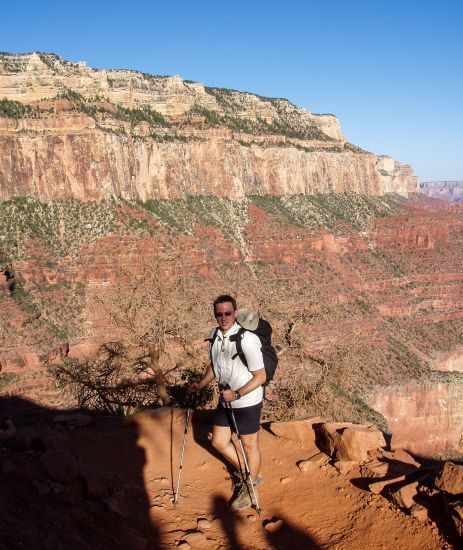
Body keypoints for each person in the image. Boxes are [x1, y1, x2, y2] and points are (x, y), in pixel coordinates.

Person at [191, 294, 266, 510]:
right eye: (218, 314)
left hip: (247, 401)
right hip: (226, 400)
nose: (223, 318)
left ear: (235, 313)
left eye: (227, 313)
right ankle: (248, 473)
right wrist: (201, 383)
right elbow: (215, 366)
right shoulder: (215, 335)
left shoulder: (247, 339)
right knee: (218, 442)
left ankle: (250, 488)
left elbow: (260, 376)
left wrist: (238, 394)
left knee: (249, 445)